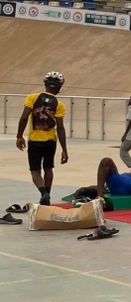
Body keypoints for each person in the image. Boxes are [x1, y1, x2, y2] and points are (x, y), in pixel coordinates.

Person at [16, 71, 69, 206]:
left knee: (35, 171)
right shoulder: (59, 104)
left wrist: (19, 136)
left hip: (34, 141)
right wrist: (64, 150)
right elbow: (60, 128)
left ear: (45, 84)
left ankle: (43, 193)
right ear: (59, 87)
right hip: (50, 141)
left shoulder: (32, 98)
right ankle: (48, 197)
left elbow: (24, 117)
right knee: (48, 169)